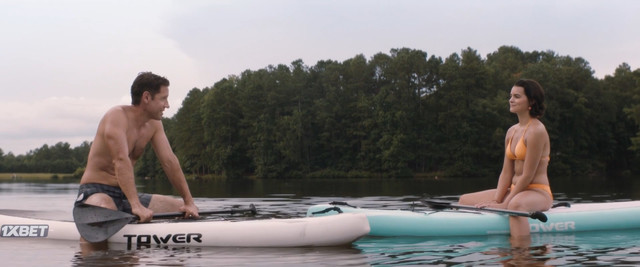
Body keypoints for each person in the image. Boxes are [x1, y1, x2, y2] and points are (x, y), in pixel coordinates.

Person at [75, 72, 199, 232]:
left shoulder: (154, 125)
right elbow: (120, 160)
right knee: (106, 209)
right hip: (96, 191)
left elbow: (169, 162)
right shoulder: (117, 116)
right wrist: (136, 206)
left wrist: (188, 201)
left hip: (126, 194)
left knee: (179, 208)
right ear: (147, 97)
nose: (167, 105)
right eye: (163, 98)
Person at [458, 79, 552, 238]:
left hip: (537, 192)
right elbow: (506, 172)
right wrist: (497, 200)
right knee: (464, 200)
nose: (511, 100)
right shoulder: (511, 131)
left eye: (516, 96)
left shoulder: (537, 131)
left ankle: (521, 256)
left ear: (531, 101)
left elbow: (528, 176)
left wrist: (505, 204)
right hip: (515, 190)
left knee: (514, 206)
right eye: (510, 96)